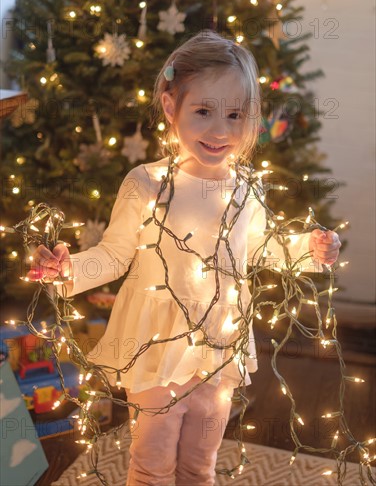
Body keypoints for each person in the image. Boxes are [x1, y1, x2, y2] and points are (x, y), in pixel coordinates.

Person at [28, 31, 341, 486]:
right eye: (203, 111)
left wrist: (307, 251)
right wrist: (68, 267)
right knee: (152, 465)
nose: (220, 130)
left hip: (219, 344)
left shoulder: (246, 185)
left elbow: (259, 249)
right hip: (156, 345)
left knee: (200, 463)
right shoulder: (146, 182)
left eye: (235, 115)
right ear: (171, 106)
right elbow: (114, 256)